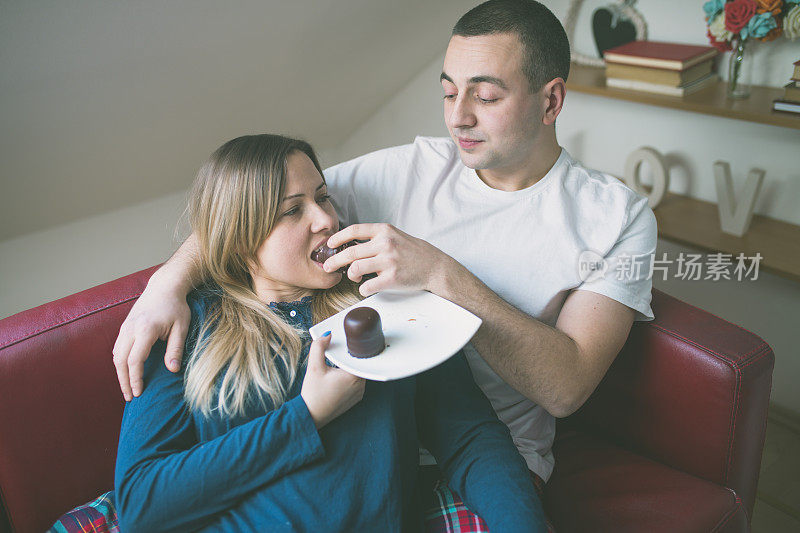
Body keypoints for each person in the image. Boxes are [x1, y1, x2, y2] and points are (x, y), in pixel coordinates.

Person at [113, 0, 656, 525]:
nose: (458, 116)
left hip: (485, 457)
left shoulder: (614, 218)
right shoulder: (409, 169)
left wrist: (439, 276)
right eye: (447, 93)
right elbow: (247, 207)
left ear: (551, 101)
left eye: (485, 96)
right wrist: (166, 285)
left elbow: (554, 394)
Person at [113, 133, 546, 532]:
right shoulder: (187, 326)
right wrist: (305, 417)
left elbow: (471, 439)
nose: (325, 219)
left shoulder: (391, 304)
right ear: (242, 237)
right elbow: (140, 503)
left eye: (323, 197)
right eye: (292, 210)